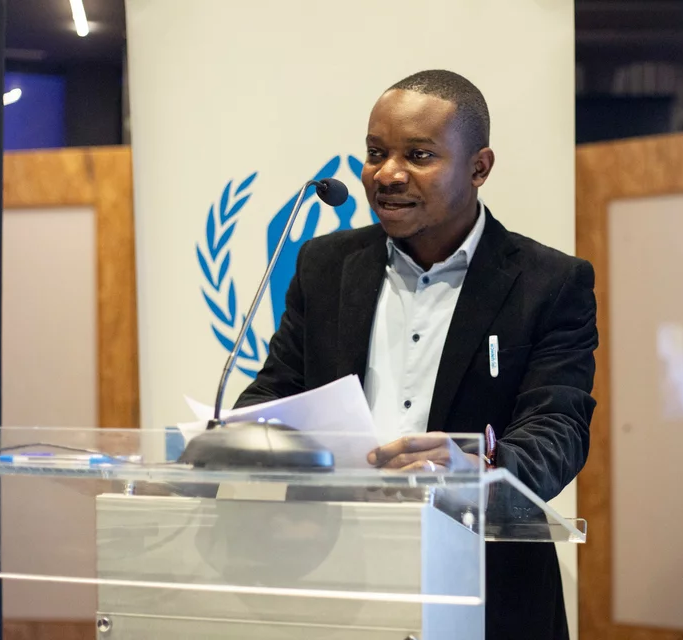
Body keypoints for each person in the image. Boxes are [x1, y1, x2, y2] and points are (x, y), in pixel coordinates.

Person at [236, 69, 598, 640]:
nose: (387, 174)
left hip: (485, 582)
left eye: (419, 155)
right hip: (337, 575)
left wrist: (480, 470)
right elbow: (278, 388)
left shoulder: (549, 283)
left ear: (479, 168)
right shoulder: (325, 266)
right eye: (375, 153)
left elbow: (558, 427)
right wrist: (235, 434)